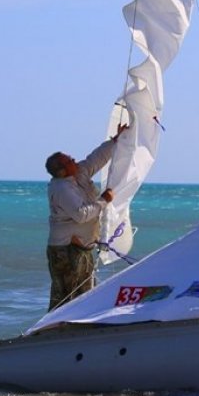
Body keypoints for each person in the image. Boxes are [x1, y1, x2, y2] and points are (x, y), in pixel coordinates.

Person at [44, 123, 128, 311]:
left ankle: (80, 328)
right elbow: (81, 214)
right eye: (69, 160)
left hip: (82, 248)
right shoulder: (61, 188)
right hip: (66, 251)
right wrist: (104, 200)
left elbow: (95, 159)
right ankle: (57, 332)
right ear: (62, 171)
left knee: (85, 294)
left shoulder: (79, 172)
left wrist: (115, 140)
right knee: (65, 298)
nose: (74, 160)